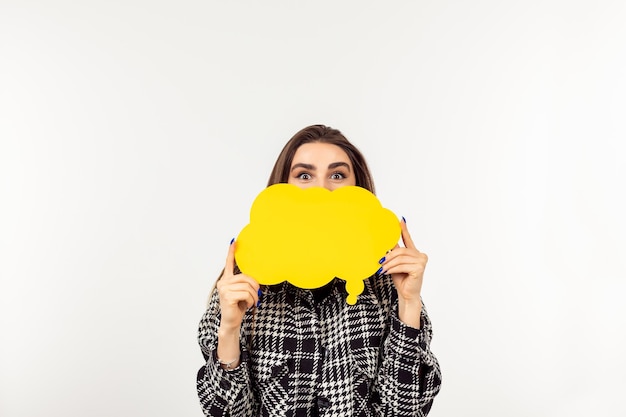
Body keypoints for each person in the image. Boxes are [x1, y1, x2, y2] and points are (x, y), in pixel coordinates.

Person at [196, 124, 442, 417]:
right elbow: (224, 413)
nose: (321, 189)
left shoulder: (388, 282)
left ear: (358, 189)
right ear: (281, 188)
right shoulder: (244, 283)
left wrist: (409, 304)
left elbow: (405, 411)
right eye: (304, 175)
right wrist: (229, 330)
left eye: (337, 175)